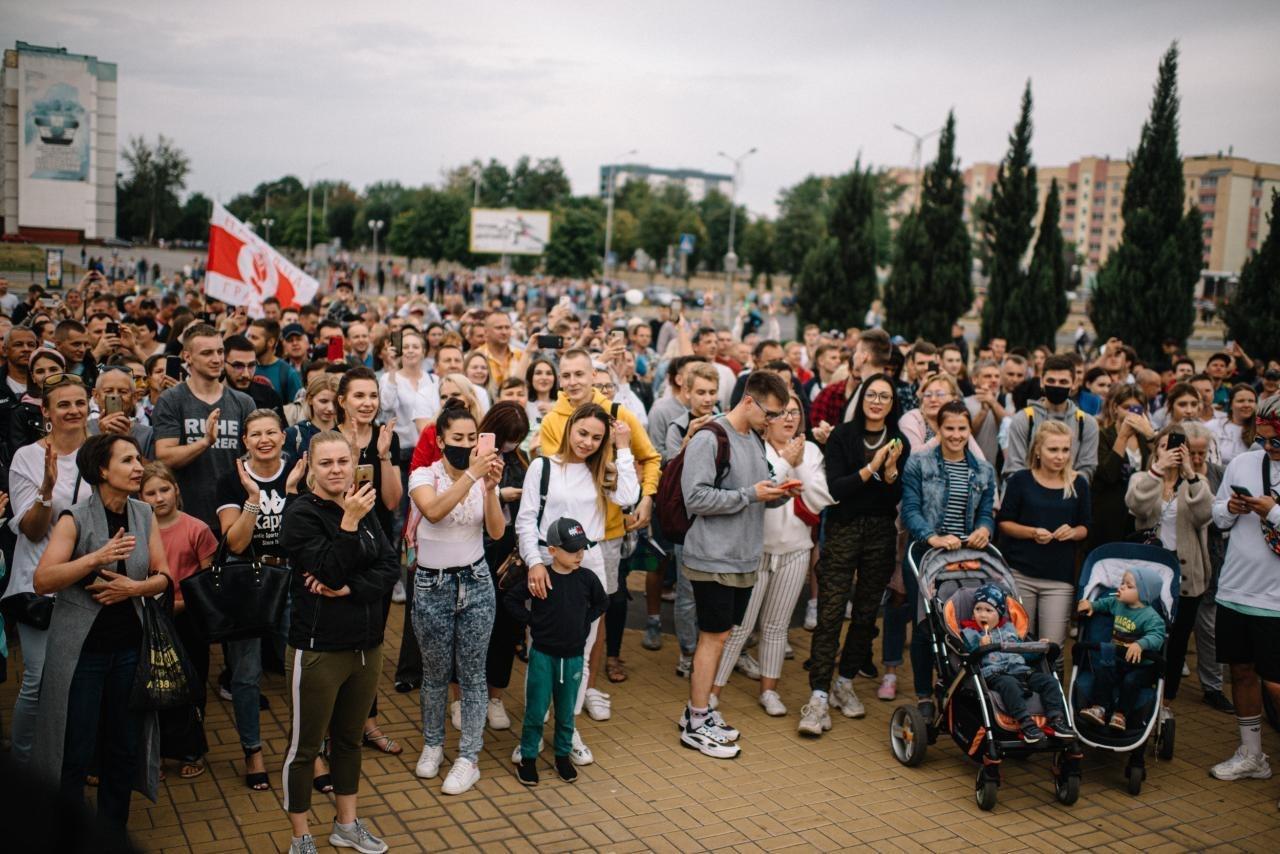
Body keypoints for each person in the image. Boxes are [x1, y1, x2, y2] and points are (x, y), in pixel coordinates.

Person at [31, 434, 171, 836]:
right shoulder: (73, 518)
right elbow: (43, 580)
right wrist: (96, 557)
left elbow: (162, 575)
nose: (138, 467)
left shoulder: (143, 514)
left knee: (122, 747)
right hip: (82, 654)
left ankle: (111, 829)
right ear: (102, 470)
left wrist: (135, 589)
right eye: (127, 461)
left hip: (130, 650)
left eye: (138, 459)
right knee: (73, 749)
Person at [278, 430, 399, 854]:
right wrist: (347, 523)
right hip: (318, 648)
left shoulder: (363, 506)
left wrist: (349, 590)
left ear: (354, 463)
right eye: (326, 463)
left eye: (343, 462)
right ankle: (301, 837)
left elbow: (389, 568)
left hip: (366, 645)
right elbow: (327, 570)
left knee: (348, 741)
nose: (336, 471)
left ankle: (346, 825)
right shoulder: (300, 515)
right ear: (310, 466)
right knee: (305, 746)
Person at [678, 371, 796, 759]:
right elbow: (695, 497)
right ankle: (697, 720)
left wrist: (778, 492)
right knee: (712, 638)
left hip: (744, 556)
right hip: (712, 557)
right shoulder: (711, 437)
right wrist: (750, 494)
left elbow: (756, 492)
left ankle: (699, 712)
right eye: (771, 413)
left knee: (723, 635)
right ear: (749, 401)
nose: (775, 421)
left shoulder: (754, 440)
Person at [515, 401, 639, 767]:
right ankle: (533, 731)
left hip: (589, 563)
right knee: (541, 650)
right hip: (548, 563)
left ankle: (569, 728)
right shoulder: (543, 467)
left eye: (596, 438)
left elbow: (629, 497)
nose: (587, 442)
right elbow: (524, 521)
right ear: (569, 429)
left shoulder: (603, 469)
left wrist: (625, 446)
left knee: (580, 654)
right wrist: (535, 563)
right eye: (583, 433)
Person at [538, 349, 660, 722]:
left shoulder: (619, 415)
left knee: (595, 614)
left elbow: (651, 457)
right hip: (561, 539)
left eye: (580, 374)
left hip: (604, 536)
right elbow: (556, 480)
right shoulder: (552, 422)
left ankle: (587, 687)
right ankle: (553, 697)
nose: (573, 381)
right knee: (557, 614)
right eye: (567, 375)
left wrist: (647, 498)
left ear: (594, 376)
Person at [711, 390, 833, 718]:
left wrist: (799, 465)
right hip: (755, 551)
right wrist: (784, 463)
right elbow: (757, 490)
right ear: (768, 419)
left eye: (795, 413)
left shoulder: (810, 451)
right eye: (782, 413)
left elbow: (820, 497)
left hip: (795, 550)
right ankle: (712, 692)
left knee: (777, 626)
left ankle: (769, 692)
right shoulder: (752, 445)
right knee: (739, 626)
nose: (790, 418)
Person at [407, 400, 505, 795]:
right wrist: (472, 476)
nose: (466, 444)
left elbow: (496, 532)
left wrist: (492, 489)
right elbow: (432, 512)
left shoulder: (482, 479)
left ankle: (469, 757)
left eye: (471, 437)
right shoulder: (422, 475)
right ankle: (433, 745)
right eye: (458, 438)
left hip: (476, 581)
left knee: (472, 673)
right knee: (433, 674)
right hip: (432, 584)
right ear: (441, 440)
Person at [801, 374, 904, 732]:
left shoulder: (898, 440)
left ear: (892, 404)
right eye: (871, 394)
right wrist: (874, 468)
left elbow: (892, 499)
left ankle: (844, 682)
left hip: (879, 533)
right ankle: (817, 694)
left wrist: (890, 473)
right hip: (844, 528)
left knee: (865, 615)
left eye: (885, 397)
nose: (877, 401)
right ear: (862, 399)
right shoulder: (844, 436)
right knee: (830, 613)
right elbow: (837, 489)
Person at [3, 372, 92, 764]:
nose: (73, 411)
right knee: (39, 682)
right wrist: (45, 489)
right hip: (39, 584)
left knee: (81, 680)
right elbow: (32, 528)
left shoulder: (102, 451)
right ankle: (24, 767)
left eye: (79, 403)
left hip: (89, 584)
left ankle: (69, 761)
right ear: (47, 411)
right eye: (64, 404)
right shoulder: (27, 456)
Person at [215, 408, 305, 788]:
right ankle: (252, 750)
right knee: (247, 674)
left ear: (284, 437)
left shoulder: (298, 473)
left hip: (291, 578)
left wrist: (293, 493)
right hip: (247, 580)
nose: (264, 440)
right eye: (256, 434)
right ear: (245, 441)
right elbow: (235, 542)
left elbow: (305, 534)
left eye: (272, 432)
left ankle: (307, 751)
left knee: (302, 672)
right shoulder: (230, 480)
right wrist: (253, 497)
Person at [900, 401, 997, 717]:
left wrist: (985, 527)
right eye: (949, 429)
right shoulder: (919, 463)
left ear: (970, 430)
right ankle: (924, 695)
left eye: (962, 429)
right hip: (928, 555)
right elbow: (910, 510)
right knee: (927, 627)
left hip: (967, 559)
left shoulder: (983, 469)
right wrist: (932, 536)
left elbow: (986, 512)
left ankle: (957, 683)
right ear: (939, 429)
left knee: (964, 621)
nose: (956, 435)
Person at [1207, 397, 1280, 783]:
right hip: (1235, 588)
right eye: (1264, 439)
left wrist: (1273, 511)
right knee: (1242, 672)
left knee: (1276, 683)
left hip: (1276, 599)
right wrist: (1231, 508)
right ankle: (1252, 755)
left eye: (1277, 443)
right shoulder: (1244, 461)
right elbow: (1217, 517)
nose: (1268, 449)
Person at [506, 517, 609, 787]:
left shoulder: (587, 579)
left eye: (582, 548)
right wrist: (531, 621)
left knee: (566, 712)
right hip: (543, 656)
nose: (579, 554)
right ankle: (528, 757)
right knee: (536, 710)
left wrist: (584, 620)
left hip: (573, 657)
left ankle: (562, 755)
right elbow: (511, 599)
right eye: (572, 549)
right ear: (551, 550)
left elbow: (602, 602)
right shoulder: (541, 578)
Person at [334, 367, 403, 755]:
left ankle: (369, 723)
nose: (366, 403)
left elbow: (393, 502)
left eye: (372, 396)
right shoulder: (325, 441)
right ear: (341, 400)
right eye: (358, 396)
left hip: (376, 553)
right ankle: (336, 729)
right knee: (338, 642)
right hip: (340, 548)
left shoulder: (384, 438)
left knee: (372, 639)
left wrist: (383, 456)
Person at [1125, 424, 1212, 718]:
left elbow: (1205, 516)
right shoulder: (1142, 478)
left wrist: (1189, 472)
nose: (1171, 452)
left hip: (1186, 572)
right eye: (1164, 446)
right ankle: (1135, 695)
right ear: (1155, 450)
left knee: (1176, 643)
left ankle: (1166, 702)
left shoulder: (1196, 482)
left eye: (1177, 447)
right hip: (1149, 570)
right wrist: (1157, 471)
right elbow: (1136, 507)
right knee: (1145, 634)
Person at [140, 461, 217, 781]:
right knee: (155, 686)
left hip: (188, 618)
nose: (158, 498)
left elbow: (207, 579)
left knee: (190, 684)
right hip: (151, 617)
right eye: (150, 493)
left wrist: (183, 604)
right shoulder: (139, 530)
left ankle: (191, 749)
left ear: (177, 490)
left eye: (164, 489)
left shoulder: (196, 528)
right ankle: (155, 752)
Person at [152, 324, 256, 533]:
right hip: (187, 516)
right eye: (207, 353)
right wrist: (205, 442)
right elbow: (164, 456)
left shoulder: (244, 402)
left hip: (233, 515)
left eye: (220, 352)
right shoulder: (171, 400)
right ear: (187, 356)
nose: (217, 359)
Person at [997, 420, 1090, 652]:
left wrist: (1072, 532)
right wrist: (1031, 532)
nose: (1060, 456)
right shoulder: (1020, 480)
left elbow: (1085, 527)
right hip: (1021, 573)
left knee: (1053, 648)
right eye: (1053, 449)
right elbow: (1004, 523)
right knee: (1019, 642)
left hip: (1059, 577)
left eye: (1065, 450)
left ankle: (1053, 688)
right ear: (1038, 449)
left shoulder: (1078, 483)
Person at [961, 584, 1073, 742]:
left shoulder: (1009, 630)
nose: (982, 614)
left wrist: (1037, 649)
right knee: (1010, 685)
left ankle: (1056, 720)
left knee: (1050, 682)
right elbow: (969, 655)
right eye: (978, 609)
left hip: (1021, 670)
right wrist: (979, 646)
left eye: (988, 610)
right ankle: (1026, 725)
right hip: (995, 674)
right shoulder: (970, 633)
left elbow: (1023, 655)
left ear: (999, 614)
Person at [1077, 569, 1168, 732]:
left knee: (1130, 681)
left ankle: (1121, 714)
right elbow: (1105, 604)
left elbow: (1157, 636)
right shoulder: (1118, 603)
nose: (1122, 587)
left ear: (1143, 593)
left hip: (1140, 665)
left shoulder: (1151, 617)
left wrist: (1141, 644)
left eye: (1129, 586)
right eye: (1122, 583)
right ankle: (1099, 708)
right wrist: (1091, 604)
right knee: (1104, 670)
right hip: (1117, 659)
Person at [1003, 354, 1099, 482]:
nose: (1056, 385)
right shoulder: (1023, 419)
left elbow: (1087, 469)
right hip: (1028, 496)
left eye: (1063, 382)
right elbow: (1014, 468)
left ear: (1074, 384)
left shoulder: (1087, 423)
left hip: (1069, 495)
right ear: (1042, 382)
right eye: (1051, 381)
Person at [1091, 384, 1154, 548]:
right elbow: (1108, 474)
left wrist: (1151, 436)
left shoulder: (1144, 438)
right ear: (1115, 408)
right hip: (1109, 513)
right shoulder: (1103, 435)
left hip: (1139, 515)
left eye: (1137, 409)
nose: (1131, 413)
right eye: (1126, 407)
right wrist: (1123, 437)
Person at [89, 366, 156, 459]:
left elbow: (153, 471)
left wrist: (126, 440)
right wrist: (103, 439)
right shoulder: (84, 430)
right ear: (96, 396)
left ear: (134, 397)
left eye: (123, 392)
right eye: (108, 391)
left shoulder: (149, 434)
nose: (116, 396)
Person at [284, 373, 341, 459]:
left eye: (335, 402)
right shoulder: (293, 434)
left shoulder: (348, 431)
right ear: (310, 399)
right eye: (323, 401)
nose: (331, 408)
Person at [1216, 383, 1258, 464]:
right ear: (1231, 405)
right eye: (1241, 401)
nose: (1246, 405)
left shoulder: (1262, 430)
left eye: (1251, 401)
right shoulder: (1214, 426)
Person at [524, 357, 559, 428]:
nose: (544, 377)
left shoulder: (562, 405)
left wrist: (555, 414)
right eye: (538, 373)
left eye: (549, 373)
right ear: (530, 378)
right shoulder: (524, 405)